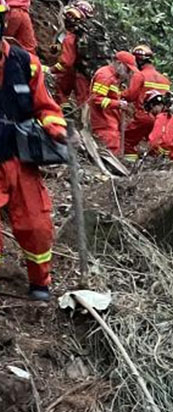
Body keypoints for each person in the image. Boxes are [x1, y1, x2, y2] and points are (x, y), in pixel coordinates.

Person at [0, 4, 67, 301]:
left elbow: (46, 107)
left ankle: (40, 281)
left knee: (36, 224)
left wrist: (56, 130)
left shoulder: (26, 63)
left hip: (21, 155)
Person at [121, 45, 170, 160]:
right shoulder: (164, 79)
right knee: (154, 145)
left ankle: (130, 166)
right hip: (160, 119)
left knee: (127, 140)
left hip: (144, 116)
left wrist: (119, 93)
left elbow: (131, 95)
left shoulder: (140, 75)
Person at [89, 51, 135, 155]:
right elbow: (96, 99)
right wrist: (118, 104)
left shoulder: (115, 78)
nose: (128, 74)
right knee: (110, 154)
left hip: (111, 124)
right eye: (127, 69)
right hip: (104, 124)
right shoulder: (105, 76)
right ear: (119, 64)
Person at [53, 4, 91, 105]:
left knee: (61, 90)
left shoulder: (71, 37)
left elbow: (66, 62)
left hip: (74, 71)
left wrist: (51, 70)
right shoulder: (88, 35)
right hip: (85, 73)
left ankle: (61, 110)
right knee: (83, 101)